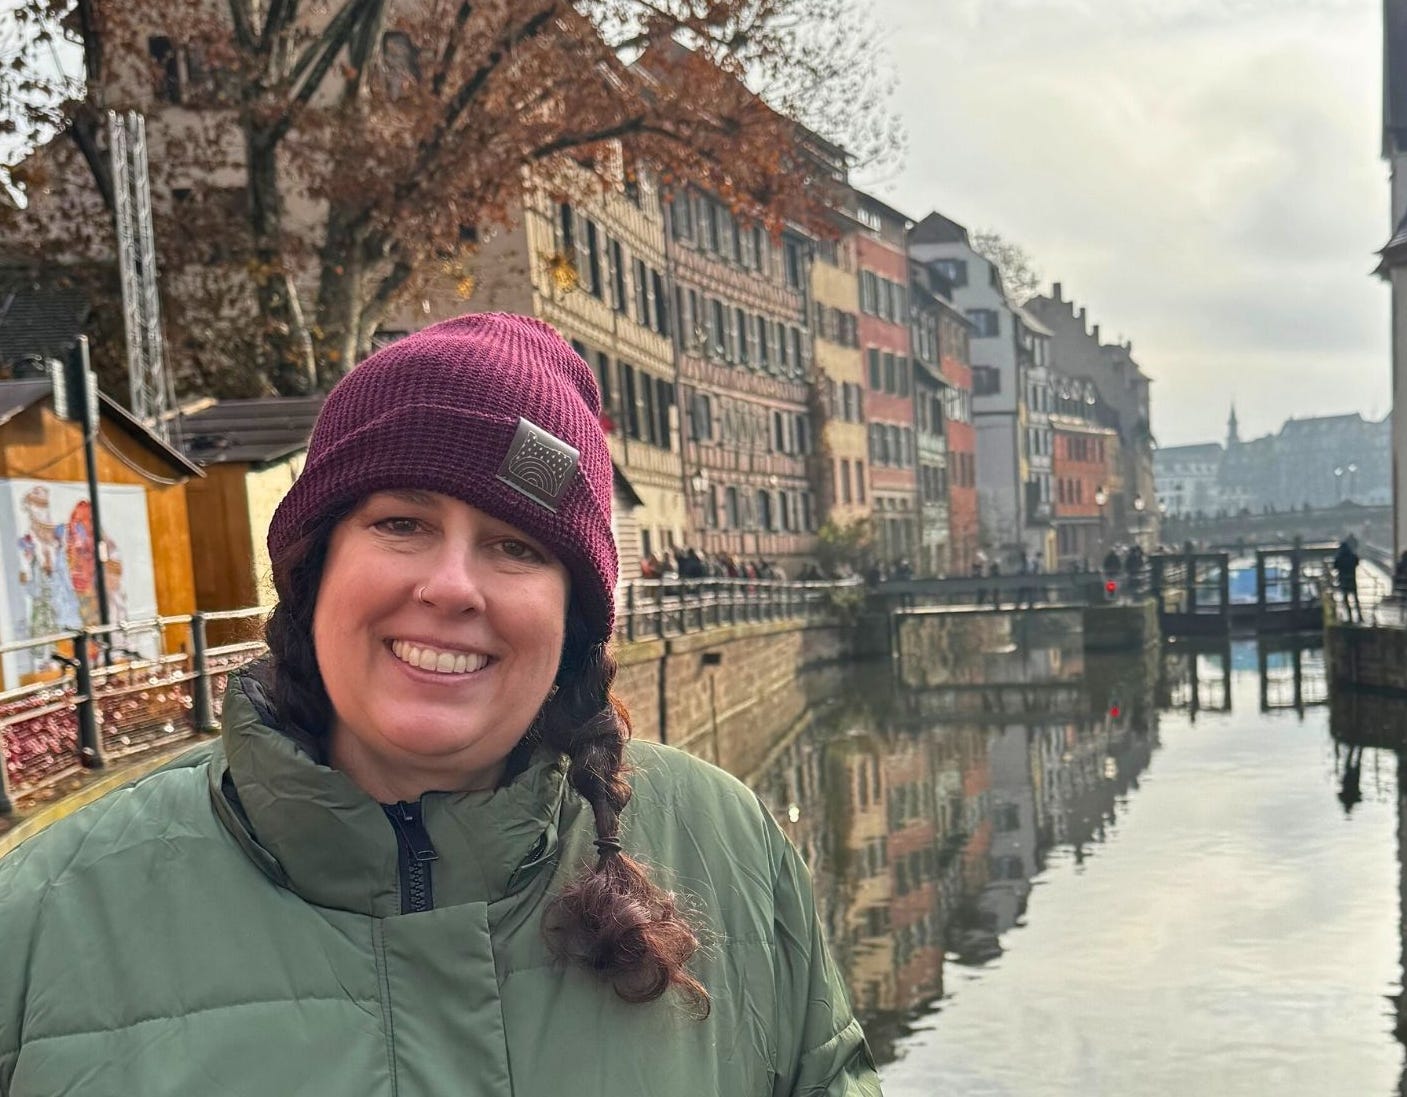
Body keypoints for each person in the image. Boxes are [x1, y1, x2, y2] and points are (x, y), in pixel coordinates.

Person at [0, 315, 877, 1095]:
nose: (452, 585)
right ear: (316, 567)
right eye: (401, 524)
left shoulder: (732, 848)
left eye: (515, 544)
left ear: (573, 619)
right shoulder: (43, 920)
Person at [1332, 536, 1364, 624]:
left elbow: (1335, 566)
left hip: (1343, 580)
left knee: (1345, 599)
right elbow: (1357, 562)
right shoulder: (1352, 556)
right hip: (1352, 579)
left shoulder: (1339, 557)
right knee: (1356, 599)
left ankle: (1349, 617)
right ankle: (1360, 616)